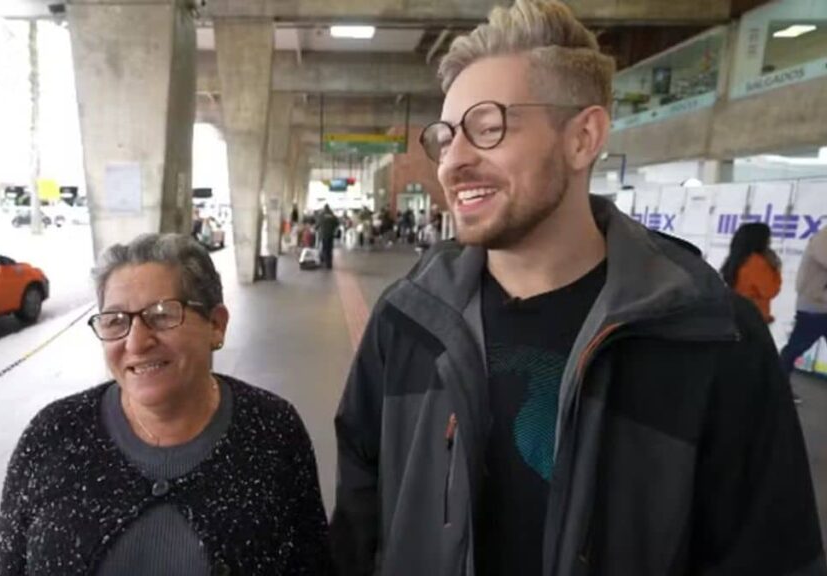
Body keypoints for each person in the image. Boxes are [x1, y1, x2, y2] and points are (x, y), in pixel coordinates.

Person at [330, 2, 824, 576]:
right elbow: (359, 525)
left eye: (487, 127)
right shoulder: (409, 321)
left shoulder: (710, 338)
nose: (453, 161)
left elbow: (772, 557)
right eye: (445, 137)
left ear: (583, 137)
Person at [0, 233, 332, 576]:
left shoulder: (272, 430)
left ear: (216, 325)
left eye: (161, 315)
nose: (136, 343)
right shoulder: (52, 434)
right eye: (115, 321)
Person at [779, 225, 827, 404]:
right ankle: (778, 386)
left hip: (820, 305)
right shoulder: (822, 239)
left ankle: (777, 384)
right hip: (814, 306)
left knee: (794, 348)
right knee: (795, 348)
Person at [720, 222, 781, 323]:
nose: (770, 241)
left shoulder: (739, 258)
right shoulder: (756, 262)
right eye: (768, 238)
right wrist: (775, 268)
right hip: (753, 316)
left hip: (738, 313)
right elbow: (770, 290)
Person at [318, 204, 340, 269]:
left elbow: (318, 224)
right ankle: (329, 264)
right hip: (331, 234)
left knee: (324, 247)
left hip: (323, 234)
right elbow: (337, 224)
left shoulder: (321, 215)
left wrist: (316, 228)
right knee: (329, 249)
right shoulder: (333, 216)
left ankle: (323, 261)